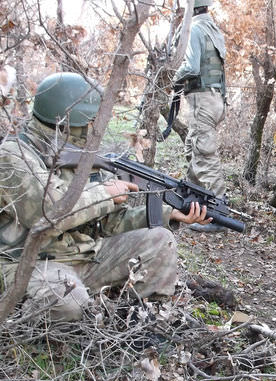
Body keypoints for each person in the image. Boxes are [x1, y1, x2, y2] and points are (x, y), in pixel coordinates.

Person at [0, 71, 210, 322]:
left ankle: (142, 320)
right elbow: (46, 214)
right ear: (68, 121)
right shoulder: (14, 155)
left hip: (86, 256)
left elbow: (109, 223)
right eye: (90, 120)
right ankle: (21, 322)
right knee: (68, 302)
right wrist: (105, 193)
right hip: (29, 264)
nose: (95, 126)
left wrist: (168, 214)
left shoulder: (81, 152)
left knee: (160, 240)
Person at [173, 0, 227, 234]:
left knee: (204, 155)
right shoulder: (212, 29)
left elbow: (192, 67)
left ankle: (220, 215)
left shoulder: (194, 28)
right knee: (192, 149)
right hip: (215, 99)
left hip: (203, 99)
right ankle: (194, 203)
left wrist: (170, 76)